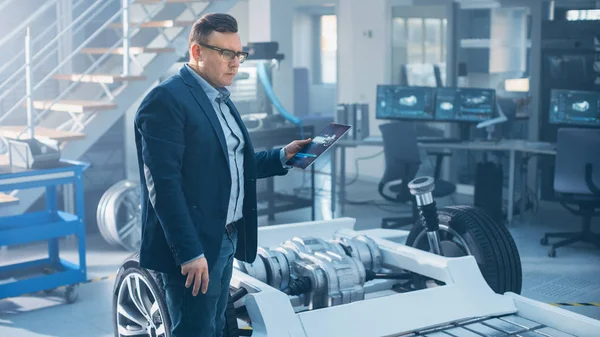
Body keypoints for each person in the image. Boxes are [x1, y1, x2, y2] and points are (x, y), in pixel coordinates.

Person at [134, 12, 311, 337]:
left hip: (226, 237)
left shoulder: (219, 98)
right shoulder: (166, 100)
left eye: (239, 54)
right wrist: (189, 251)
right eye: (226, 53)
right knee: (195, 331)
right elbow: (164, 185)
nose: (235, 63)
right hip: (196, 245)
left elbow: (232, 165)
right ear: (197, 52)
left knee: (216, 328)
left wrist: (281, 156)